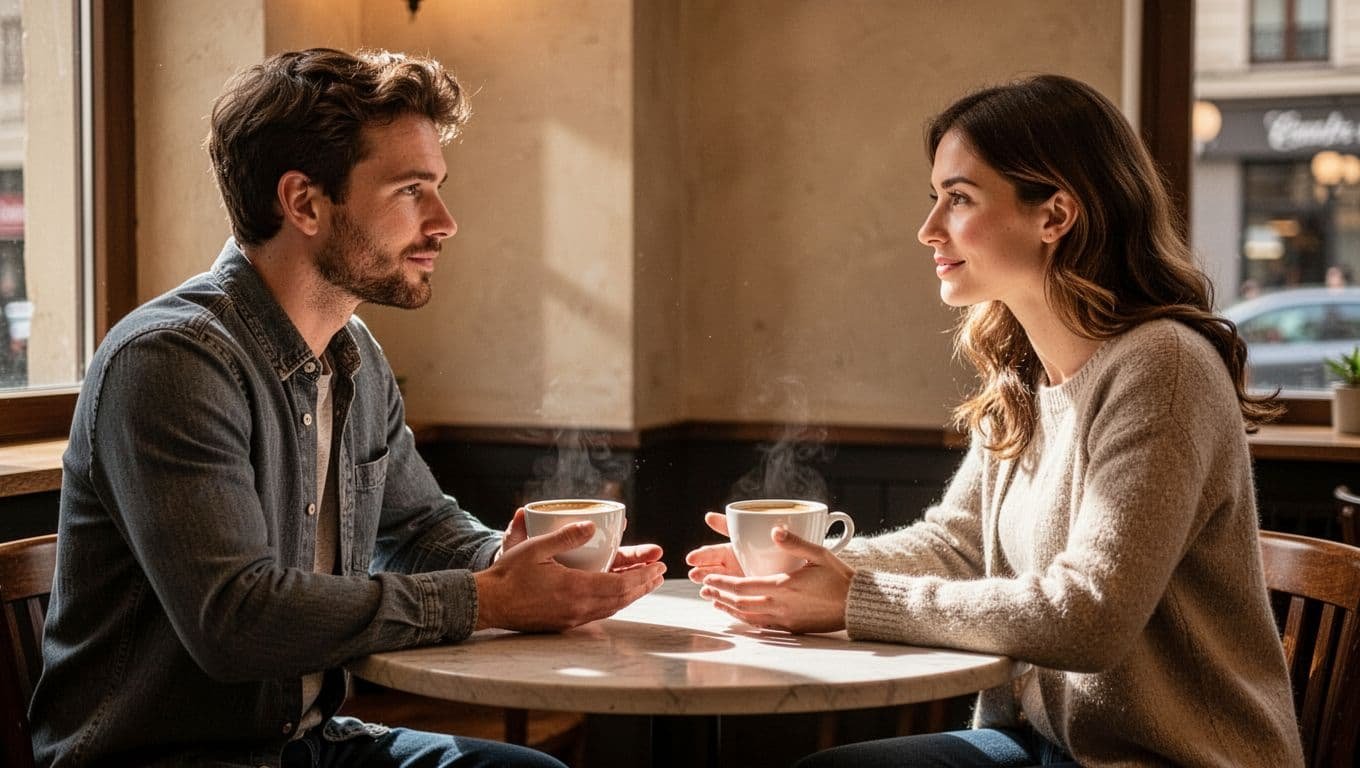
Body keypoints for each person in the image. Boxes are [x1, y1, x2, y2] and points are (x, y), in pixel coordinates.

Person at [29, 47, 666, 768]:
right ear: (304, 202)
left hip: (308, 745)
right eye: (411, 190)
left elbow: (419, 525)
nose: (445, 221)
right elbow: (235, 620)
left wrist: (518, 561)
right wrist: (490, 600)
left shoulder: (350, 351)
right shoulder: (169, 362)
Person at [687, 74, 1304, 767]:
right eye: (936, 199)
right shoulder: (1024, 371)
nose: (928, 230)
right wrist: (802, 570)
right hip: (1045, 742)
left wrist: (853, 597)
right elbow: (958, 544)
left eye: (959, 199)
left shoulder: (1165, 368)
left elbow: (1089, 616)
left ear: (1055, 215)